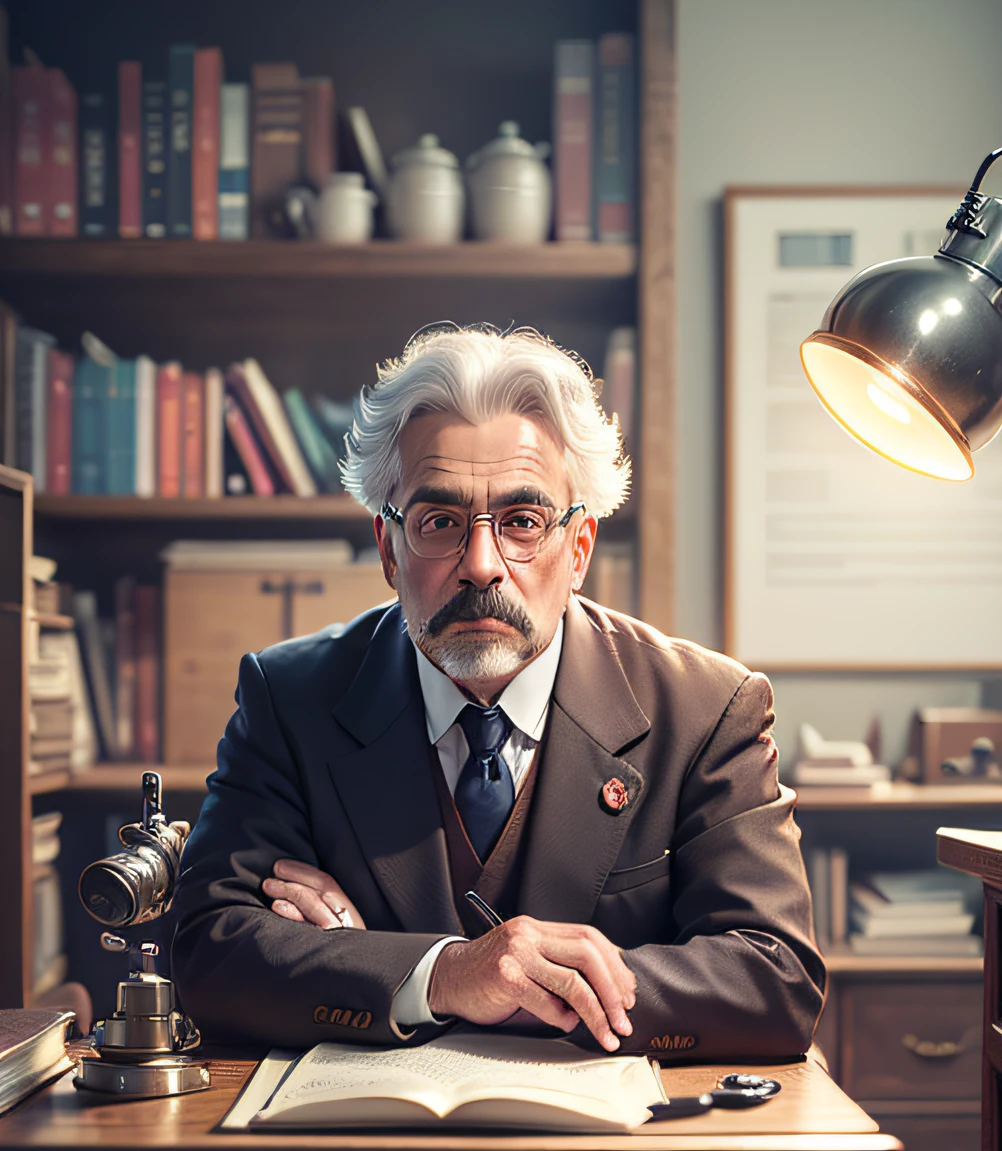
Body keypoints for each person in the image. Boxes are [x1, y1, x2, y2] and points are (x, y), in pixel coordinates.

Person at [171, 325, 825, 1059]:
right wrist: (443, 975)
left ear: (578, 550)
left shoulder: (709, 709)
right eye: (441, 522)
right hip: (366, 1150)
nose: (481, 564)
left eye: (522, 521)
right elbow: (208, 951)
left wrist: (505, 985)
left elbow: (775, 979)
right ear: (389, 548)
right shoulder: (288, 698)